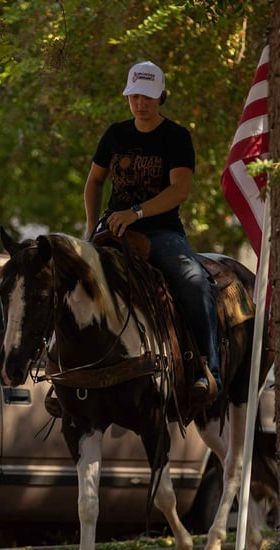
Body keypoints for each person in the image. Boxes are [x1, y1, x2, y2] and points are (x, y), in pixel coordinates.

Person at [83, 60, 222, 401]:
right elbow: (95, 181)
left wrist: (136, 212)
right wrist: (90, 226)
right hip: (112, 230)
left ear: (161, 96)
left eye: (147, 96)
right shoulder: (115, 134)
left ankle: (207, 369)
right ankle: (63, 367)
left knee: (193, 282)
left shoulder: (176, 136)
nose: (140, 103)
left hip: (161, 232)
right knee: (71, 278)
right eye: (134, 96)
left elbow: (180, 190)